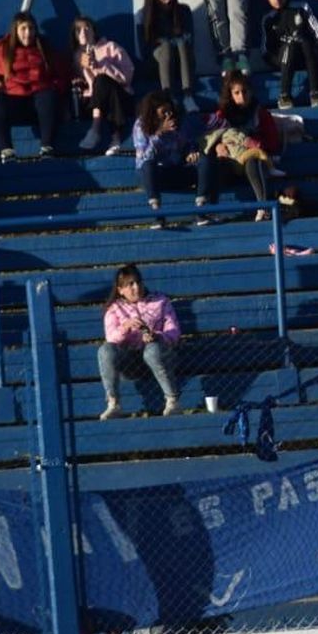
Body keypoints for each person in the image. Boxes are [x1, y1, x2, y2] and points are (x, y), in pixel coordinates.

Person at [0, 12, 63, 161]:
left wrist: (53, 87)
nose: (28, 33)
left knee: (49, 98)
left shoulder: (44, 47)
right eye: (23, 29)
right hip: (12, 99)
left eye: (31, 28)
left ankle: (47, 148)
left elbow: (61, 73)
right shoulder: (1, 47)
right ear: (15, 30)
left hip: (38, 102)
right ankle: (7, 151)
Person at [98, 264, 181, 418]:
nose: (136, 287)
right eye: (130, 284)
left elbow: (174, 332)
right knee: (105, 350)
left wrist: (156, 336)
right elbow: (111, 338)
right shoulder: (114, 309)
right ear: (120, 290)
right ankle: (113, 403)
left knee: (152, 351)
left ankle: (172, 401)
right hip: (130, 361)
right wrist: (126, 327)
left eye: (138, 282)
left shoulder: (160, 301)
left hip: (160, 355)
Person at [132, 92, 218, 227]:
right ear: (153, 113)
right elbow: (143, 158)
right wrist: (160, 133)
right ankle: (157, 214)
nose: (168, 115)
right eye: (163, 112)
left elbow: (188, 143)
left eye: (169, 111)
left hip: (176, 170)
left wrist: (191, 152)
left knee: (204, 161)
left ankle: (200, 210)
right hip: (154, 175)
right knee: (148, 165)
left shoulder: (178, 122)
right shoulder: (141, 125)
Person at [204, 72, 276, 221]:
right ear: (230, 95)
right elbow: (210, 137)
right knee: (214, 164)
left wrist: (253, 143)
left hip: (253, 162)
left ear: (251, 91)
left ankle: (263, 208)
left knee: (253, 161)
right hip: (229, 161)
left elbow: (273, 142)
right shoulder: (222, 115)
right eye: (236, 93)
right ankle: (211, 210)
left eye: (244, 91)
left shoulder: (260, 114)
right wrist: (218, 146)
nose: (241, 96)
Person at [71, 17, 135, 156]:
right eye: (79, 30)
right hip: (93, 102)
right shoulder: (77, 56)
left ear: (94, 31)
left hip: (120, 95)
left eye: (87, 28)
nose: (83, 32)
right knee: (98, 86)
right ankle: (114, 139)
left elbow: (127, 77)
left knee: (102, 81)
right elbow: (83, 83)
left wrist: (102, 66)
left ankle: (97, 130)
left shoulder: (110, 47)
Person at [260, 0, 318, 110]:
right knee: (289, 46)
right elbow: (266, 50)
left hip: (306, 56)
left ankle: (315, 94)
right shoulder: (268, 18)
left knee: (304, 42)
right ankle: (284, 96)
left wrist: (317, 49)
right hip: (284, 60)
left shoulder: (301, 7)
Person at [138, 0, 197, 106]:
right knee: (165, 46)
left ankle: (188, 96)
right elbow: (145, 49)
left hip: (182, 59)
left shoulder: (183, 10)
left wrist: (176, 40)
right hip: (158, 63)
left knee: (181, 42)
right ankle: (168, 96)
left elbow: (189, 39)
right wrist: (165, 43)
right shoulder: (143, 15)